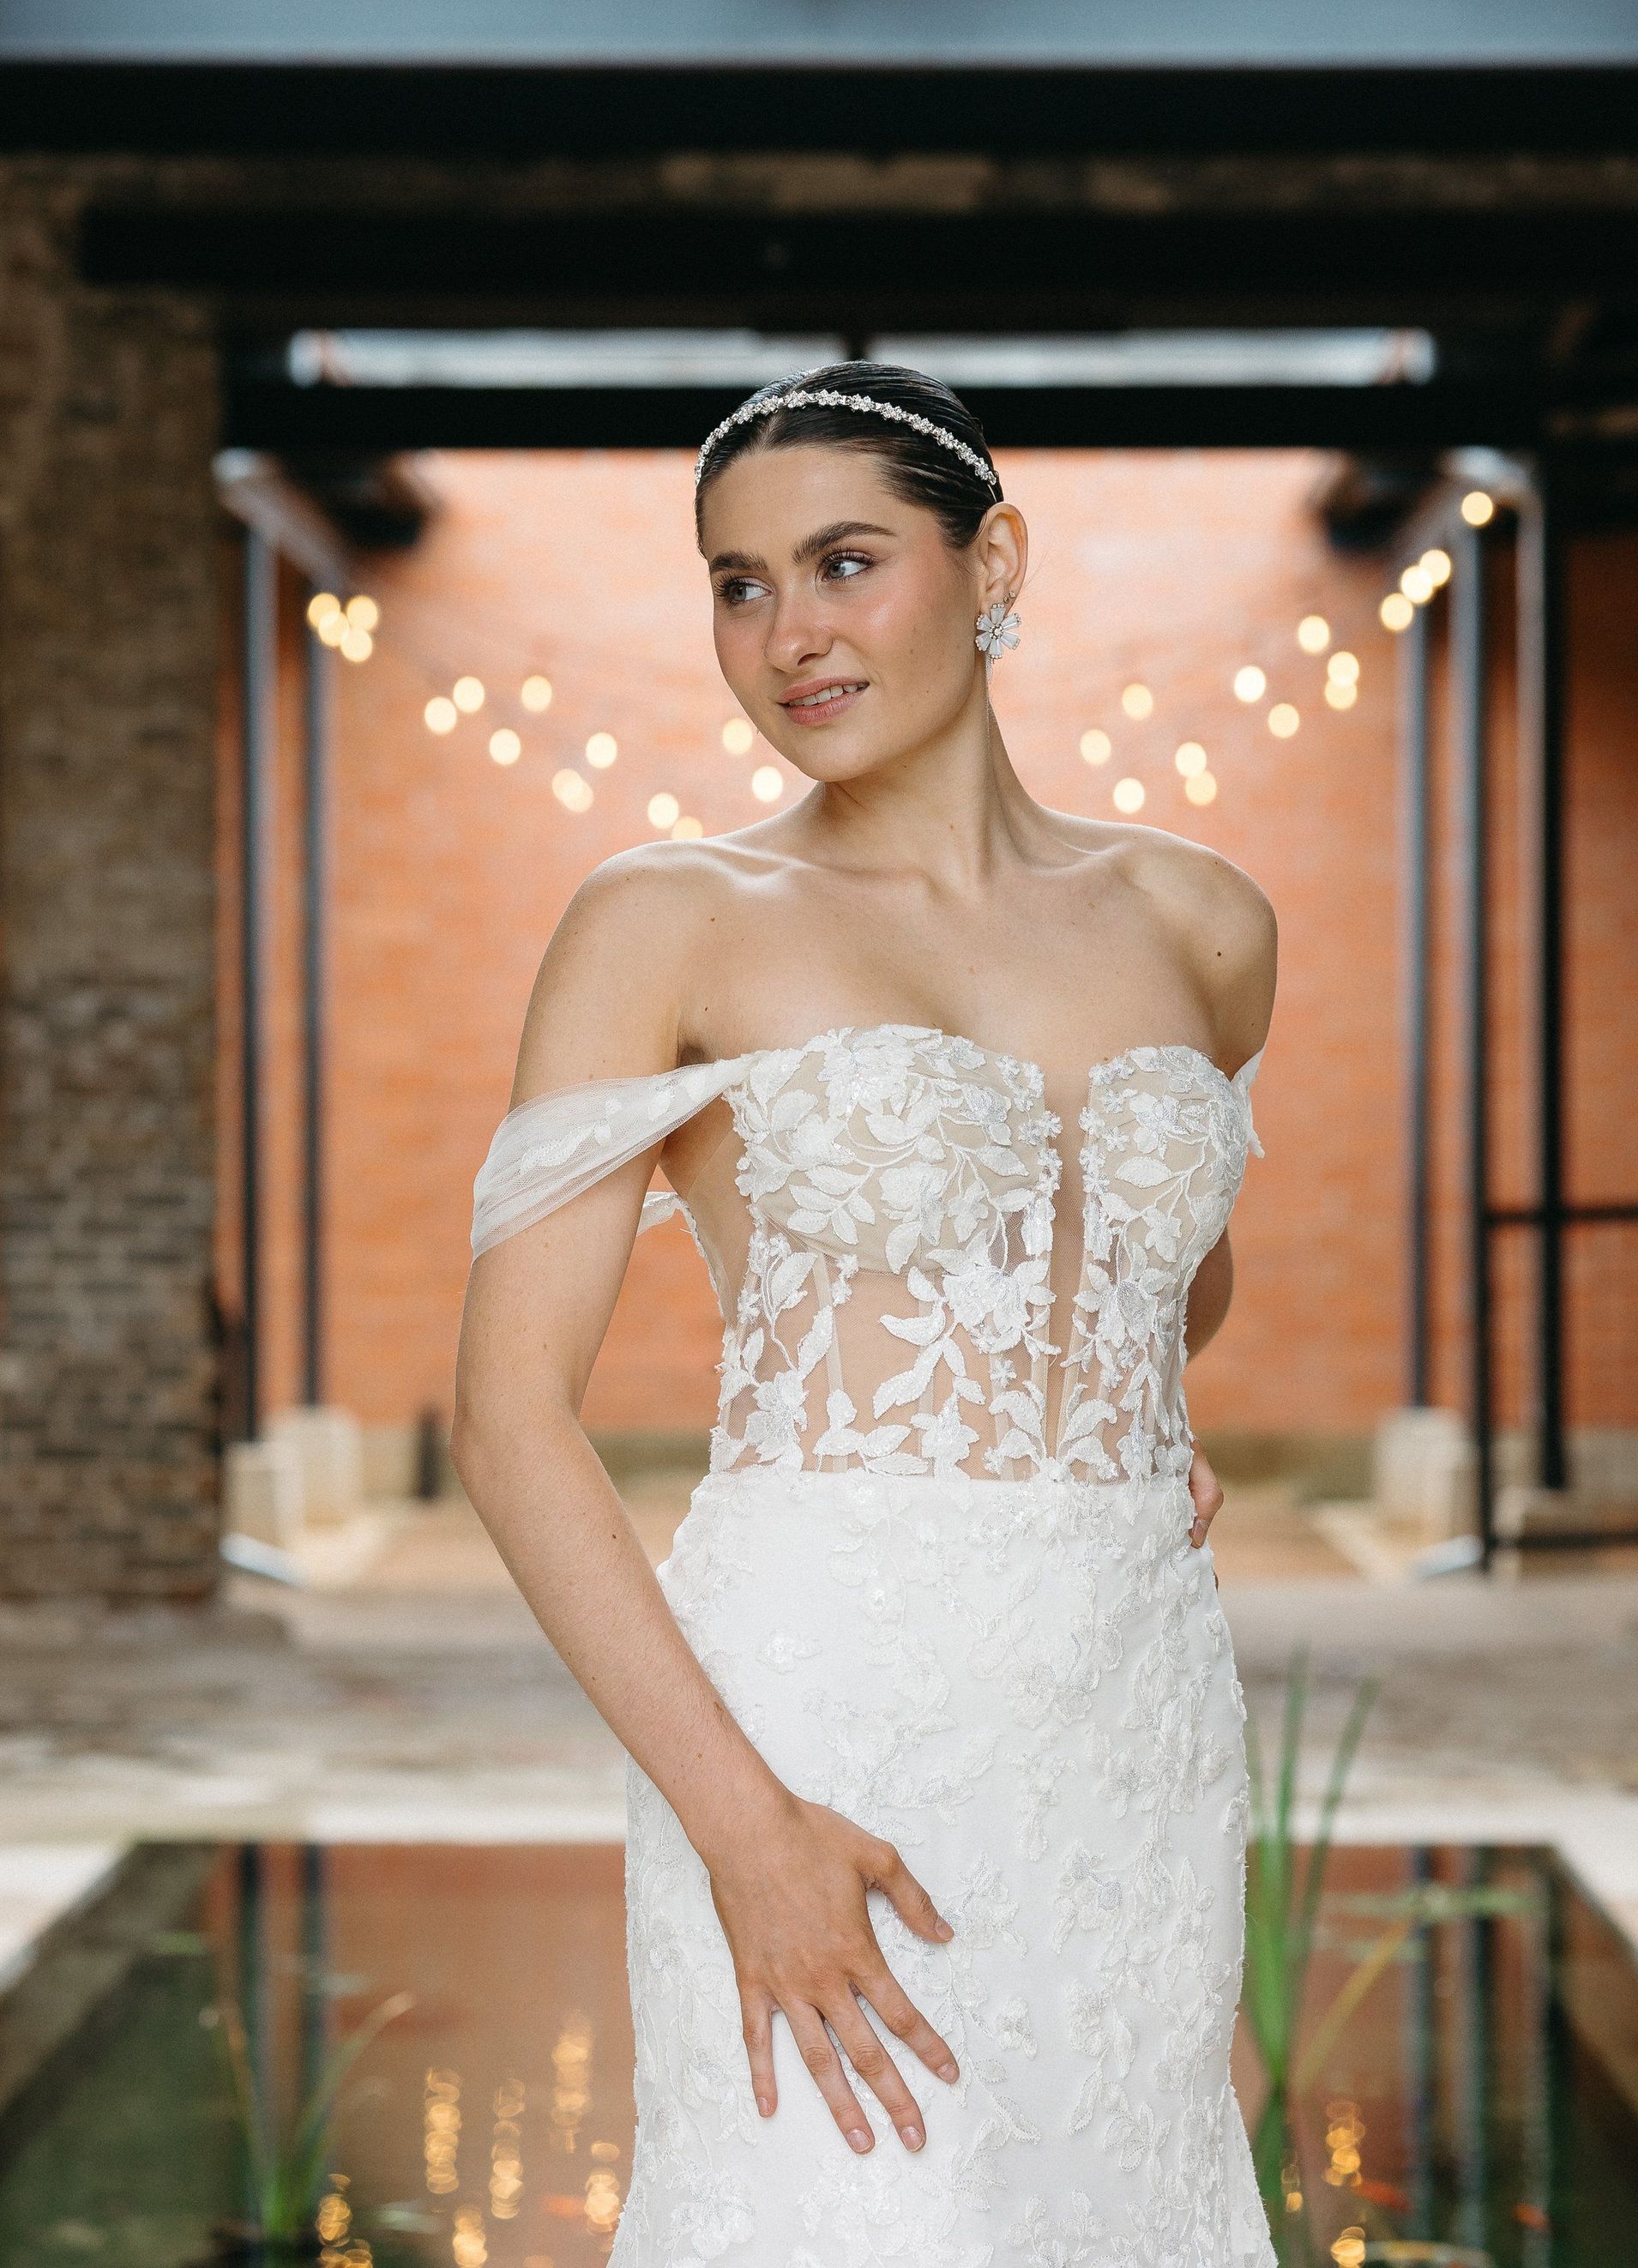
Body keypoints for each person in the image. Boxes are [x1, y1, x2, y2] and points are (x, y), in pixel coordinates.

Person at [453, 363, 1279, 2267]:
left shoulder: (1200, 920)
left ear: (993, 560)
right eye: (738, 583)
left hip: (1127, 1721)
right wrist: (746, 1833)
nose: (787, 634)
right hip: (814, 1719)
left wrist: (1126, 1419)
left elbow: (1170, 1270)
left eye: (842, 561)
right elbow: (511, 1420)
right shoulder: (670, 919)